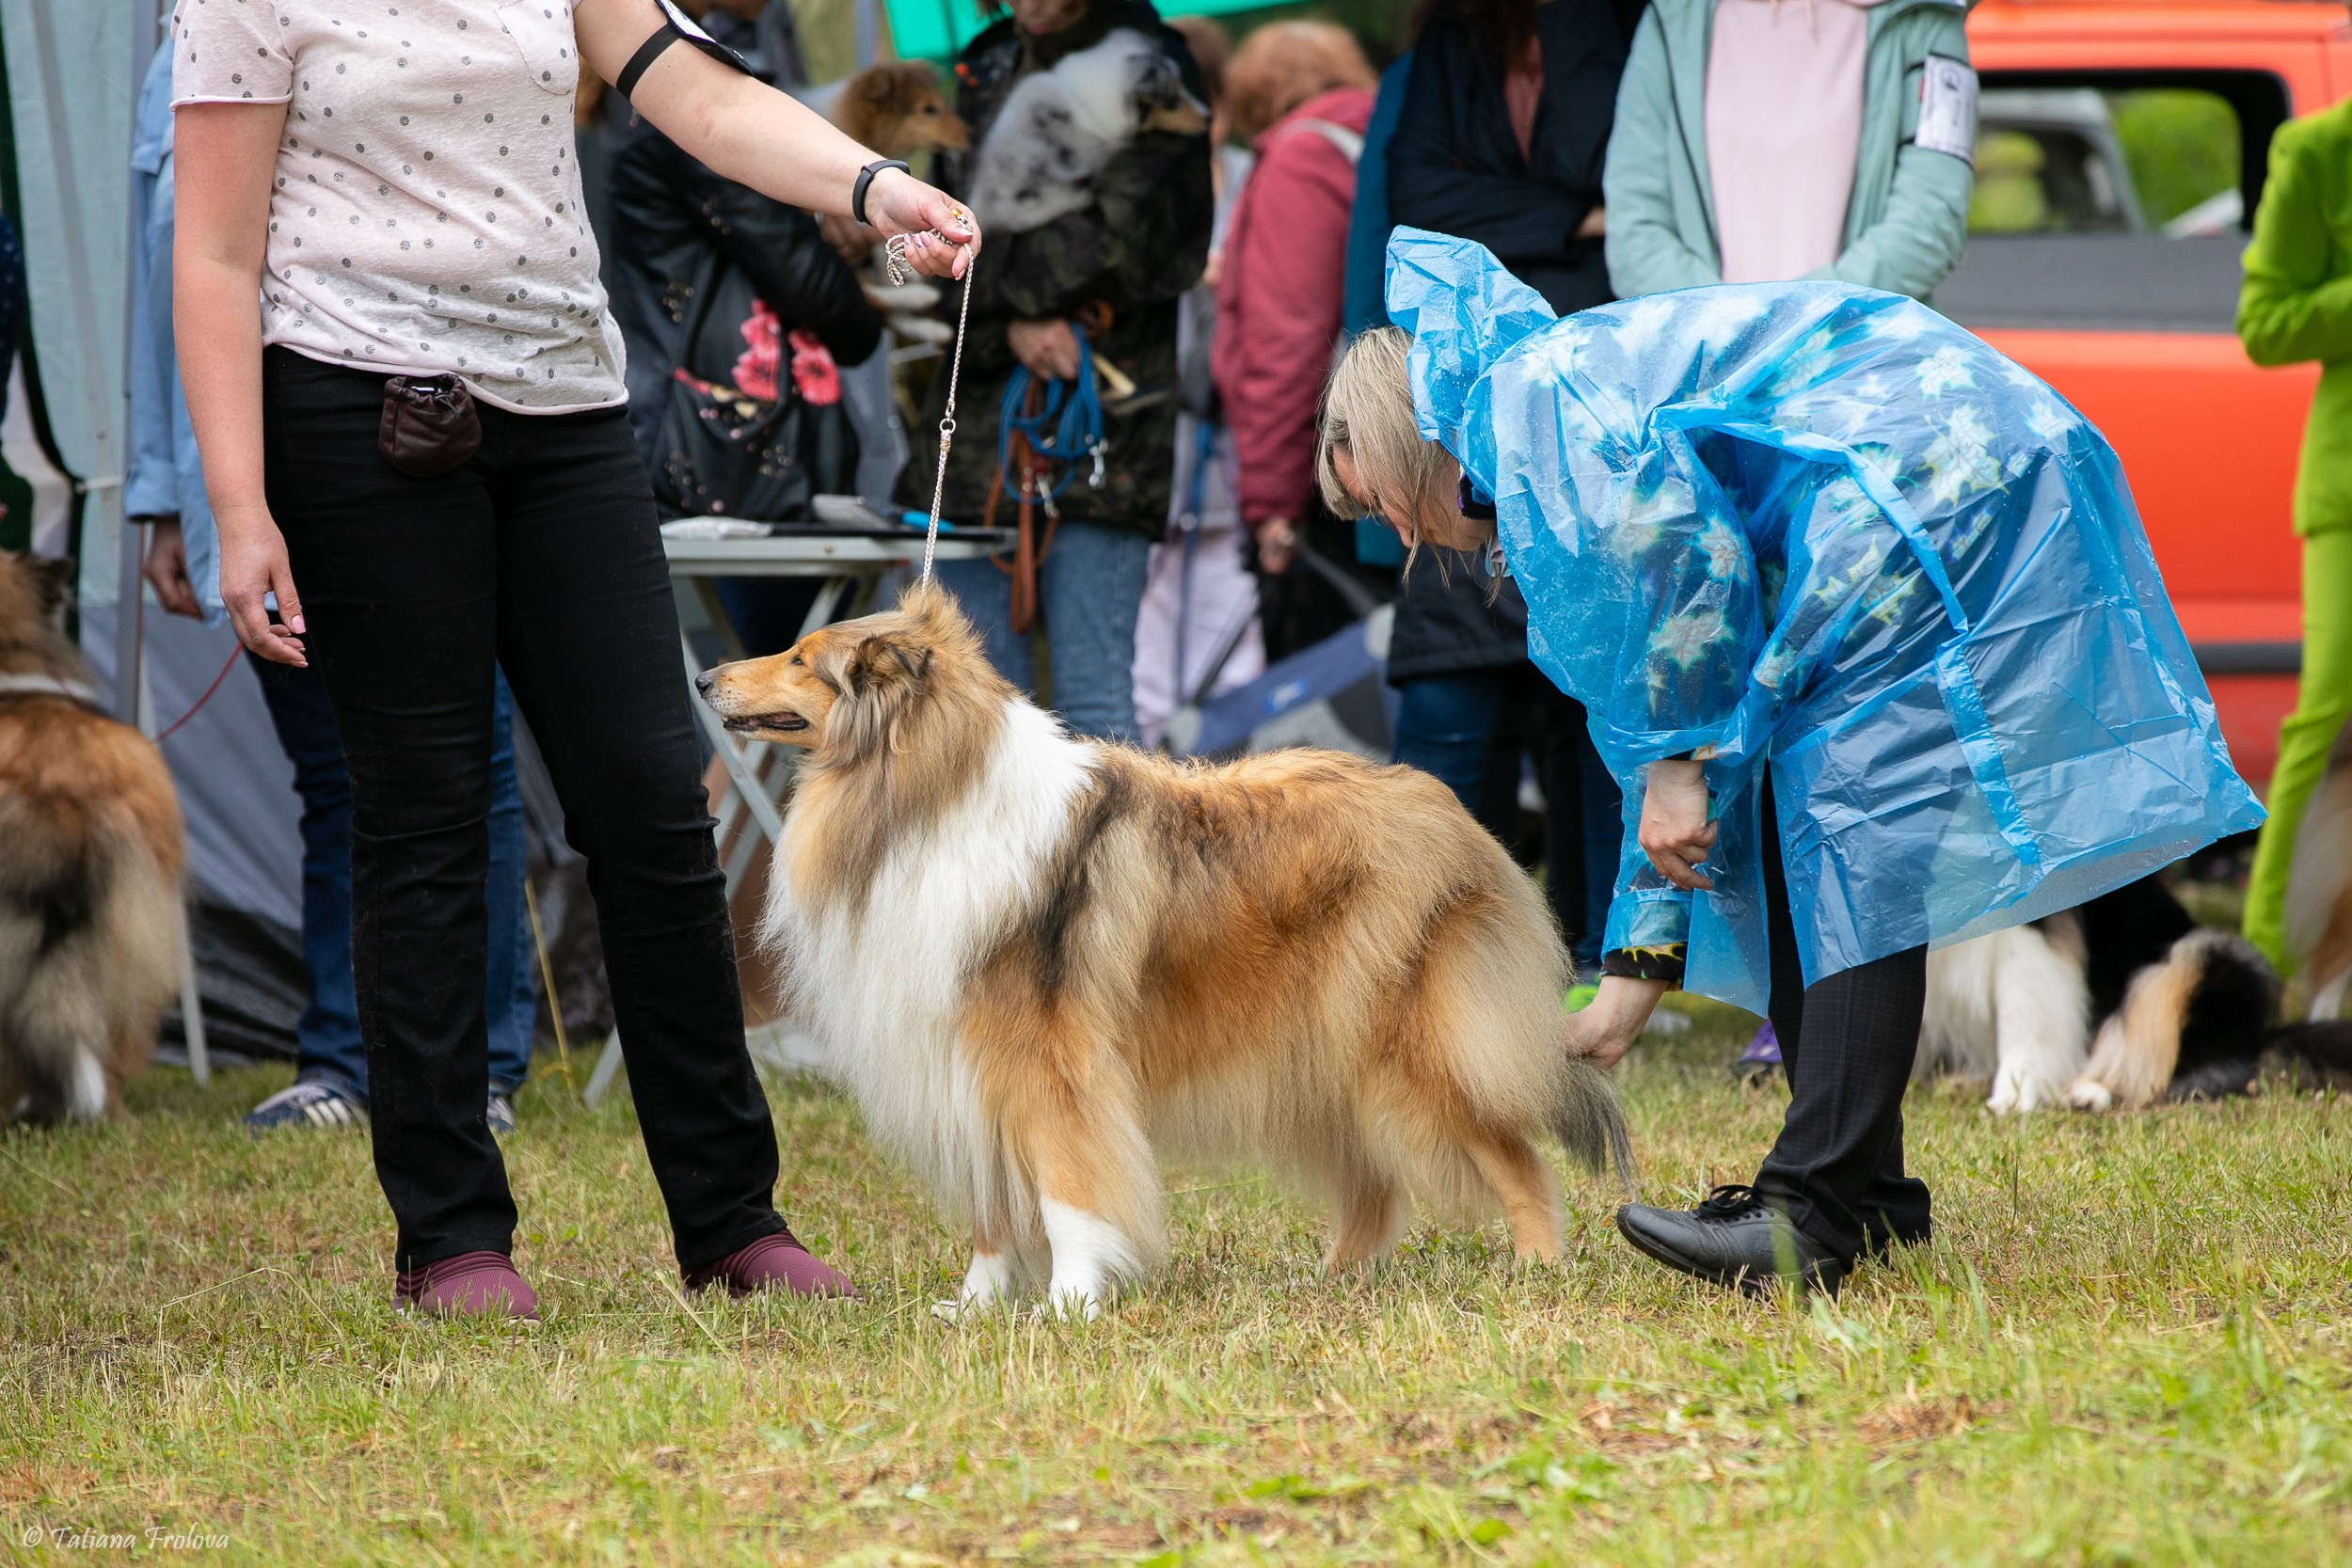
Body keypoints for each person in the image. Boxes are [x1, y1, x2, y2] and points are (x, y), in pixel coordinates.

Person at [169, 0, 978, 1319]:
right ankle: (451, 1238)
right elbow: (212, 253)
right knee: (424, 818)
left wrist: (876, 185)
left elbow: (703, 98)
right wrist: (237, 503)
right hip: (355, 404)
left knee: (654, 807)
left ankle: (733, 1220)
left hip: (572, 410)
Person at [1321, 230, 2261, 1294]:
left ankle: (1811, 1213)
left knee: (1851, 832)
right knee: (1786, 820)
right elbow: (1653, 723)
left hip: (1924, 487)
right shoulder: (1533, 426)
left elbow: (1700, 568)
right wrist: (1633, 973)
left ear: (1409, 438)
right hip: (1923, 478)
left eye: (1377, 494)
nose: (1391, 527)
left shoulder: (1534, 415)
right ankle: (1868, 1197)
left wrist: (1682, 762)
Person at [127, 35, 541, 1136]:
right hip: (246, 481)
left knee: (468, 760)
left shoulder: (403, 33)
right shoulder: (180, 53)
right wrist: (164, 494)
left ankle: (478, 1063)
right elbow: (164, 285)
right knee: (334, 773)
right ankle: (347, 1057)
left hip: (409, 448)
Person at [1379, 0, 1638, 969]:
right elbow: (1418, 201)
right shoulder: (1457, 40)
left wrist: (1503, 217)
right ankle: (1415, 953)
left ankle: (1607, 962)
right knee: (1450, 699)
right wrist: (1574, 219)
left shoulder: (1619, 29)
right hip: (1466, 413)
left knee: (1593, 710)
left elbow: (1634, 191)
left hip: (1594, 404)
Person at [906, 0, 1214, 741]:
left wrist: (979, 267)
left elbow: (1128, 248)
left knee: (1094, 712)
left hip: (1104, 432)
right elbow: (937, 247)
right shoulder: (984, 64)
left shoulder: (1153, 61)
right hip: (973, 437)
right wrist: (1006, 320)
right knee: (979, 718)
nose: (1031, 6)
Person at [605, 9, 882, 655]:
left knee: (761, 669)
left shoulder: (643, 124)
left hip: (726, 449)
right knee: (784, 672)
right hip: (740, 453)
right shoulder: (694, 122)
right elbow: (816, 293)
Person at [1603, 0, 1974, 302]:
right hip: (1708, 363)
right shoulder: (1672, 17)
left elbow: (1929, 221)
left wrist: (1789, 326)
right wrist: (1730, 329)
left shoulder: (1925, 17)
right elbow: (1634, 229)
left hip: (1864, 362)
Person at [1211, 22, 1382, 663]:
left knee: (1328, 681)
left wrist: (1273, 503)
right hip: (1407, 449)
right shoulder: (1380, 134)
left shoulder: (1300, 157)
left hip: (1333, 474)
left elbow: (1286, 342)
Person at [2238, 98, 2352, 973]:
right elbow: (2266, 322)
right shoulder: (2317, 150)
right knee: (2330, 707)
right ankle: (2264, 956)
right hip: (2346, 487)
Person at [1129, 15, 1264, 746]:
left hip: (1237, 453)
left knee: (1236, 653)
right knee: (1148, 660)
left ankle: (1236, 780)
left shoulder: (1254, 181)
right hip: (1157, 449)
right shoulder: (1136, 194)